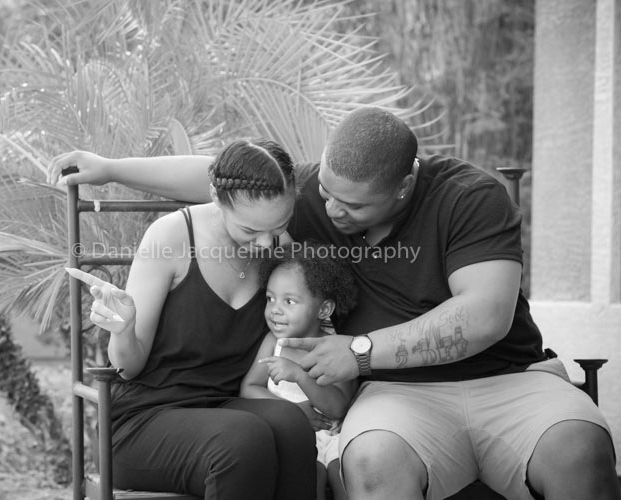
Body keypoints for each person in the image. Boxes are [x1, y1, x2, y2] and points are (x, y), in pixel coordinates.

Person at [49, 107, 620, 500]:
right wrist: (111, 167)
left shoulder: (467, 197)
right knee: (357, 458)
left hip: (505, 381)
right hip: (399, 398)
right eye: (323, 190)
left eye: (352, 204)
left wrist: (361, 351)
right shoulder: (313, 201)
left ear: (403, 186)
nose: (330, 209)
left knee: (580, 447)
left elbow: (485, 316)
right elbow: (229, 177)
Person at [66, 138, 317, 500]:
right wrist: (123, 330)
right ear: (215, 197)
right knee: (242, 439)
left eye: (277, 227)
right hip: (143, 421)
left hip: (222, 409)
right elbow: (128, 368)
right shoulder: (171, 238)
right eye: (250, 230)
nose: (266, 244)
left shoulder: (280, 248)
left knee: (291, 426)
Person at [240, 242, 358, 500]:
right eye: (270, 298)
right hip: (296, 439)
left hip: (335, 439)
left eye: (289, 301)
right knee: (308, 482)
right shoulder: (273, 343)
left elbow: (338, 408)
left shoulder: (335, 347)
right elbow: (249, 388)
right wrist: (290, 412)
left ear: (324, 309)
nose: (275, 310)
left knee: (348, 483)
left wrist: (300, 376)